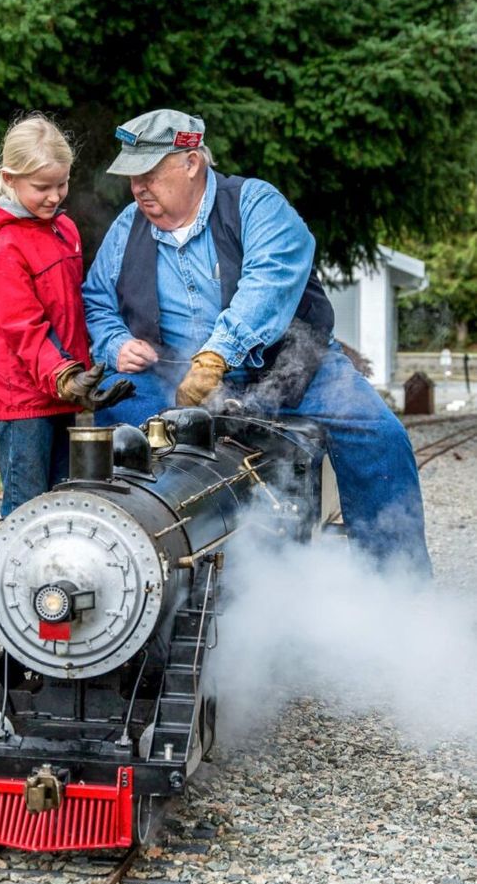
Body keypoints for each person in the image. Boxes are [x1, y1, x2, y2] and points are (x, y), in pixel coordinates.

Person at [82, 108, 431, 574]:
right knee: (117, 424)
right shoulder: (128, 228)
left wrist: (215, 356)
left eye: (149, 174)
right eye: (133, 177)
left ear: (191, 162)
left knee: (378, 436)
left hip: (290, 363)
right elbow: (97, 303)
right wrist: (116, 343)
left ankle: (397, 587)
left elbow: (268, 286)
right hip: (175, 371)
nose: (139, 188)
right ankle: (133, 572)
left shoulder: (255, 203)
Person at [0, 113, 133, 517]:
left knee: (65, 501)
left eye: (62, 184)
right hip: (22, 397)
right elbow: (24, 328)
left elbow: (70, 311)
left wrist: (83, 374)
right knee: (27, 510)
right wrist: (65, 377)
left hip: (62, 390)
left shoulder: (65, 229)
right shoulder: (3, 245)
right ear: (9, 179)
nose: (55, 196)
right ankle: (12, 580)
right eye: (41, 187)